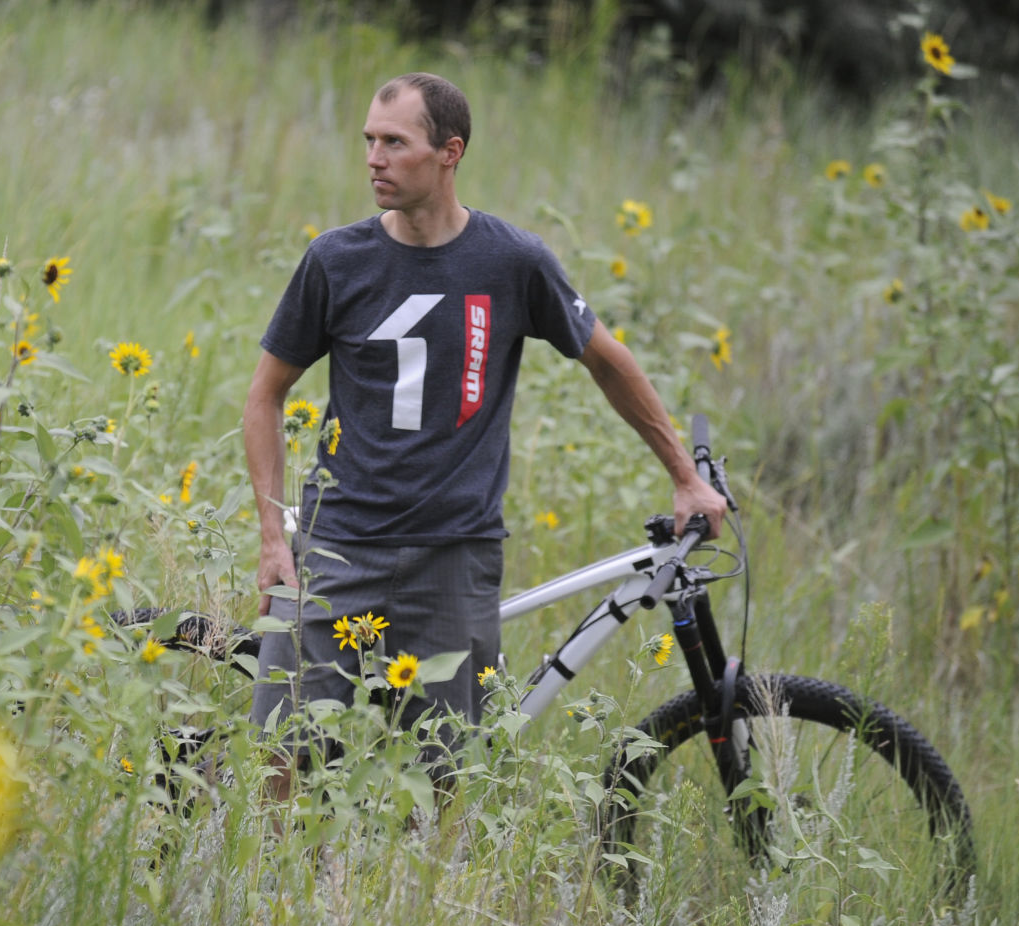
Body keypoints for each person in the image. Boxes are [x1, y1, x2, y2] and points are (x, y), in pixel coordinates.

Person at [241, 72, 728, 808]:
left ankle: (411, 913)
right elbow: (264, 396)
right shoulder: (335, 261)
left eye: (394, 143)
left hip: (455, 554)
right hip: (336, 545)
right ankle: (271, 909)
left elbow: (608, 360)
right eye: (368, 141)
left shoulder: (511, 261)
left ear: (448, 152)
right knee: (284, 756)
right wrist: (274, 535)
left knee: (446, 780)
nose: (373, 158)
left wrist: (684, 478)